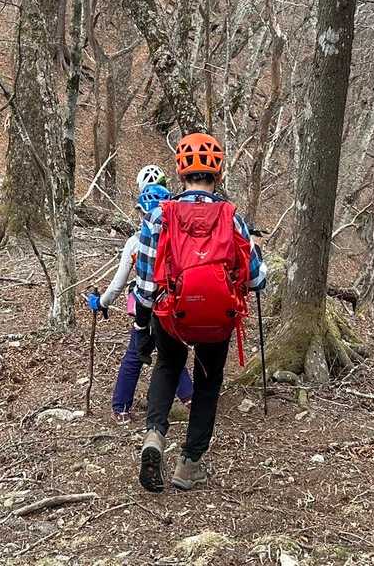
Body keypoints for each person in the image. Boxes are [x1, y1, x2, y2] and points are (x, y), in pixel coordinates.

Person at [134, 132, 267, 493]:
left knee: (167, 366)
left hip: (171, 313)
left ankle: (154, 435)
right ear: (218, 174)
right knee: (208, 382)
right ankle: (189, 464)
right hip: (217, 318)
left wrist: (143, 323)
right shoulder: (232, 218)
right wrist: (257, 254)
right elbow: (256, 279)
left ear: (180, 173)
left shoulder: (159, 216)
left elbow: (144, 282)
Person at [86, 165, 192, 421]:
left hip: (146, 306)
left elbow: (118, 283)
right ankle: (191, 399)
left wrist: (101, 303)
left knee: (135, 355)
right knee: (172, 351)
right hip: (175, 304)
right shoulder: (182, 236)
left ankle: (121, 407)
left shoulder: (135, 242)